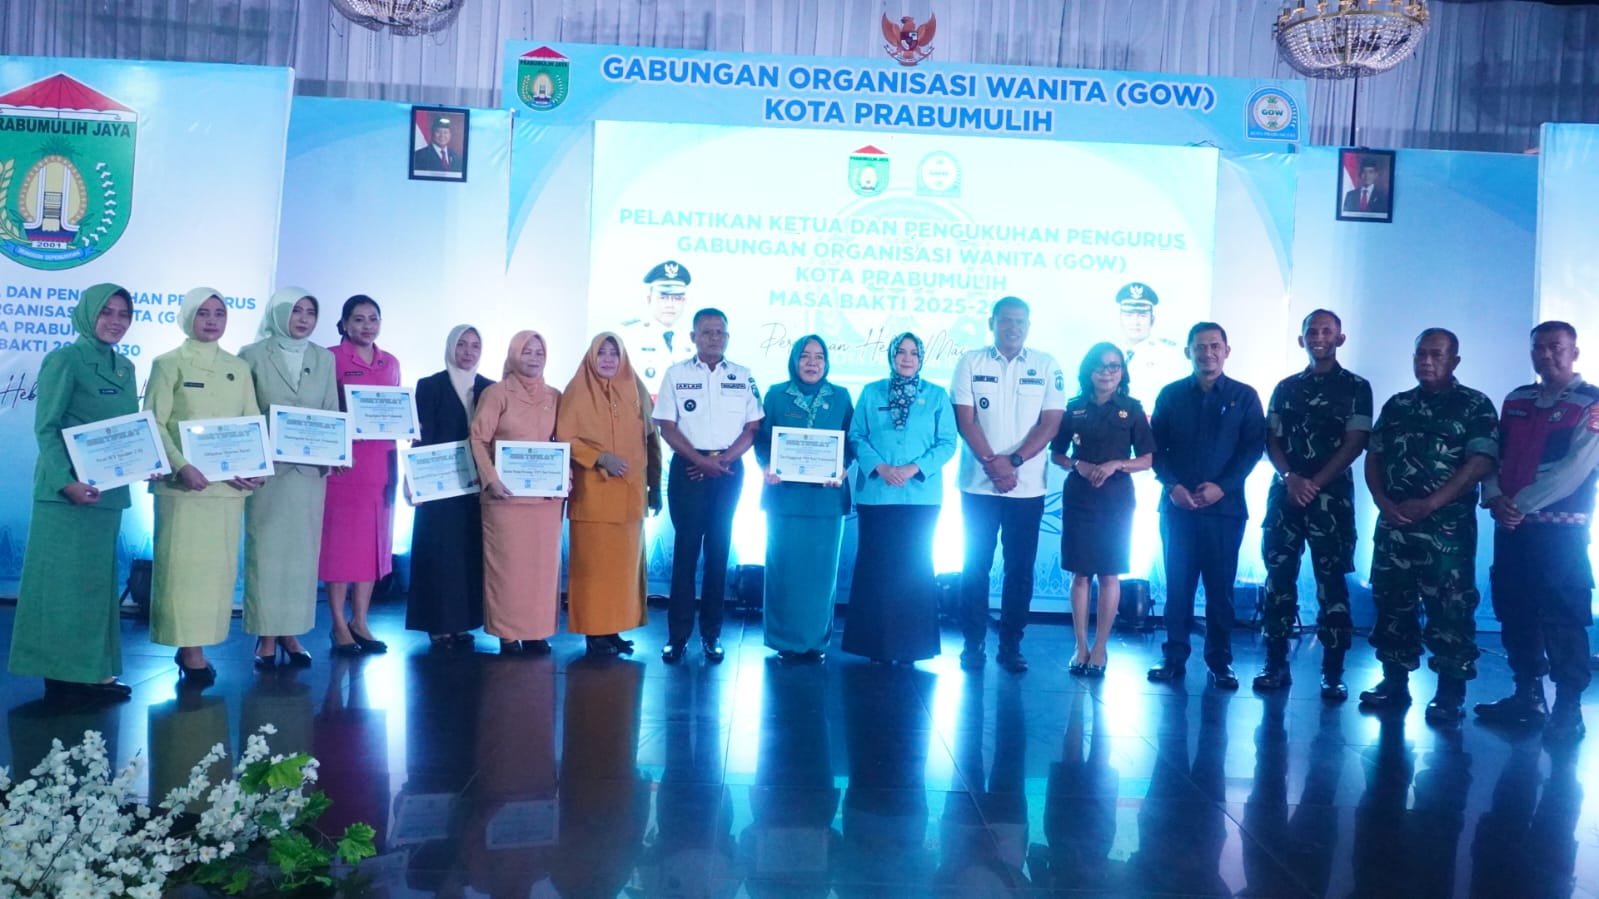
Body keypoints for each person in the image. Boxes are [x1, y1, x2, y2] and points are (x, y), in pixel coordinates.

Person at [8, 283, 140, 702]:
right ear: (87, 314)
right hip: (66, 494)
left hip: (107, 493)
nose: (115, 321)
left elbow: (128, 432)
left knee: (95, 586)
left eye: (123, 313)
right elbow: (46, 427)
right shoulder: (64, 359)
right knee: (61, 586)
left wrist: (147, 462)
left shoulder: (125, 367)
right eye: (106, 312)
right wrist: (66, 481)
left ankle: (91, 669)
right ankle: (62, 673)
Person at [1360, 328, 1498, 723]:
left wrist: (1430, 504)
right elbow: (1374, 457)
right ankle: (1394, 682)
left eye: (1437, 355)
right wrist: (1382, 502)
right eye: (1421, 354)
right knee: (1391, 603)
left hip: (1445, 533)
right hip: (1395, 526)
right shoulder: (1398, 405)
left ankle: (1450, 692)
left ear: (1455, 361)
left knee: (1450, 609)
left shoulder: (1474, 405)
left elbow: (1480, 463)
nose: (1426, 361)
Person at [1476, 321, 1599, 741]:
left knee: (1564, 616)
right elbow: (1492, 456)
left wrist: (1518, 506)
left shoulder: (1591, 401)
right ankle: (1526, 696)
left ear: (1574, 352)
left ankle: (1568, 707)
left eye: (1555, 347)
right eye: (1538, 348)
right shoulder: (1516, 399)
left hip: (1560, 534)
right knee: (1515, 611)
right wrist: (1494, 497)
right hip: (1512, 529)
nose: (1546, 354)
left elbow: (1574, 469)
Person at [146, 288, 264, 685]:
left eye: (219, 313)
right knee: (182, 571)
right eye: (203, 313)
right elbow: (153, 422)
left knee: (215, 574)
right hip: (184, 490)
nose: (212, 320)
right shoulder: (167, 364)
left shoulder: (238, 367)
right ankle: (189, 650)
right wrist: (181, 466)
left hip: (226, 491)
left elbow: (251, 421)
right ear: (187, 316)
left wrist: (256, 467)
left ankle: (201, 644)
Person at [1254, 310, 1373, 700]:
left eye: (1327, 331)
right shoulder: (1286, 388)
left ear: (1340, 338)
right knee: (1278, 581)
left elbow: (1355, 442)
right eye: (1312, 332)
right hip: (1285, 496)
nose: (1319, 337)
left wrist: (1314, 483)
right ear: (1301, 339)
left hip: (1331, 500)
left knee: (1332, 585)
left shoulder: (1356, 387)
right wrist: (1291, 478)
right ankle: (1275, 664)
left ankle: (1333, 672)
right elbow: (1271, 439)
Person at [951, 297, 1065, 673]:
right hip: (978, 485)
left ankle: (1011, 644)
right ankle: (972, 643)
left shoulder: (1046, 364)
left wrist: (1013, 462)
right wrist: (994, 464)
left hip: (1027, 487)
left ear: (1028, 326)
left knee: (1019, 569)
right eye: (1006, 320)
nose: (1013, 327)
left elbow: (1050, 423)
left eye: (1020, 321)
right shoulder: (971, 361)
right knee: (975, 565)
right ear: (992, 323)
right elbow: (965, 421)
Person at [1148, 322, 1265, 689]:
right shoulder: (1170, 394)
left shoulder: (1245, 396)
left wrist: (1222, 487)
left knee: (1220, 590)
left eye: (1215, 346)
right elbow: (1155, 449)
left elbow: (1252, 449)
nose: (1207, 353)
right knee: (1178, 587)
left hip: (1224, 511)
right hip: (1178, 507)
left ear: (1227, 351)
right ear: (1188, 352)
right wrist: (1172, 486)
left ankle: (1220, 661)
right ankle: (1173, 657)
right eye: (1200, 347)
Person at [652, 307, 763, 664]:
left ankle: (711, 635)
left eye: (720, 332)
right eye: (707, 332)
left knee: (718, 552)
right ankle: (677, 637)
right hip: (689, 469)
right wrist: (700, 461)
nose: (715, 337)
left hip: (728, 471)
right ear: (693, 337)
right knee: (685, 553)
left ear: (727, 337)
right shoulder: (676, 374)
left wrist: (722, 461)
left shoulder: (743, 376)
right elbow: (666, 426)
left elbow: (752, 428)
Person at [842, 332, 958, 663]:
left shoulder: (936, 396)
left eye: (913, 353)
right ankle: (873, 646)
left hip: (921, 497)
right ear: (891, 356)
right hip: (877, 494)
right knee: (876, 569)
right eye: (900, 352)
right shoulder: (871, 392)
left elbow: (947, 443)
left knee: (914, 569)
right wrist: (880, 467)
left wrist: (913, 468)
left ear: (921, 359)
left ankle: (912, 647)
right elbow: (857, 436)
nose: (907, 359)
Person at [239, 287, 339, 669]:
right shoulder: (251, 355)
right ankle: (266, 635)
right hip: (268, 472)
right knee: (266, 552)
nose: (303, 319)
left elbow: (330, 409)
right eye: (296, 311)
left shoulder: (323, 358)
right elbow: (245, 412)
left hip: (310, 473)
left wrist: (335, 452)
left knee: (301, 555)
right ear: (279, 313)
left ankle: (292, 632)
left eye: (310, 312)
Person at [555, 332, 663, 658]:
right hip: (594, 497)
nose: (607, 359)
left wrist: (655, 487)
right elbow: (565, 436)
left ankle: (614, 629)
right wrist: (599, 457)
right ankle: (595, 632)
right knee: (594, 572)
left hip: (630, 496)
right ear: (591, 356)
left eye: (614, 353)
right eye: (601, 352)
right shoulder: (577, 390)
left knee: (622, 572)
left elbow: (652, 439)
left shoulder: (635, 388)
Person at [1050, 342, 1154, 676]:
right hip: (1080, 497)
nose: (1107, 372)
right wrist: (1077, 464)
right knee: (1080, 573)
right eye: (1100, 365)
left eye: (1114, 366)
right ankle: (1080, 645)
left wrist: (1116, 464)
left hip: (1116, 500)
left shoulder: (1132, 409)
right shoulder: (1074, 408)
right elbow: (1057, 454)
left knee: (1110, 573)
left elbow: (1147, 459)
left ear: (1122, 372)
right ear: (1088, 371)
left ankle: (1100, 647)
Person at [754, 335, 855, 661]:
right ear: (794, 360)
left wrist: (842, 467)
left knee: (820, 577)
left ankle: (815, 642)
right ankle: (783, 641)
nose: (812, 363)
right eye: (805, 356)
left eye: (819, 357)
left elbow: (851, 442)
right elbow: (761, 440)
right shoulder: (775, 394)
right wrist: (766, 465)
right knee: (783, 571)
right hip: (784, 497)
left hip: (826, 501)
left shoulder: (840, 396)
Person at [468, 330, 564, 654]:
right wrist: (490, 478)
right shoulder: (496, 393)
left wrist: (565, 478)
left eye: (539, 352)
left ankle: (536, 631)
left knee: (541, 571)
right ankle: (507, 633)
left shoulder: (555, 396)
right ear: (513, 354)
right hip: (504, 498)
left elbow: (563, 443)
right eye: (527, 351)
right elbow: (478, 438)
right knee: (507, 570)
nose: (534, 358)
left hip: (545, 502)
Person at [320, 295, 399, 656]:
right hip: (346, 464)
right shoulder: (330, 358)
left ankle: (360, 621)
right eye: (359, 319)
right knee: (340, 548)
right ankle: (338, 624)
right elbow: (323, 408)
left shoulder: (390, 362)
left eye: (373, 319)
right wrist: (333, 448)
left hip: (382, 462)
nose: (367, 326)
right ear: (344, 324)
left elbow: (396, 409)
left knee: (371, 547)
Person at [408, 325, 492, 648]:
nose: (468, 352)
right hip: (438, 484)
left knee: (467, 553)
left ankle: (462, 622)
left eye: (475, 346)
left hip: (476, 485)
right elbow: (420, 436)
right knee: (439, 552)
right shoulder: (430, 385)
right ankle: (438, 624)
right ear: (450, 347)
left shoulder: (490, 388)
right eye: (462, 345)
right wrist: (412, 480)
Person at [622, 260, 694, 394]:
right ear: (649, 300)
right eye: (663, 298)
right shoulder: (629, 337)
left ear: (684, 302)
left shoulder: (693, 340)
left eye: (677, 298)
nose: (670, 305)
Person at [1114, 282, 1185, 407]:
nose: (1135, 322)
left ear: (1152, 320)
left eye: (1142, 316)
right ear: (1120, 319)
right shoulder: (1112, 352)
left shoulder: (1169, 353)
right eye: (1128, 315)